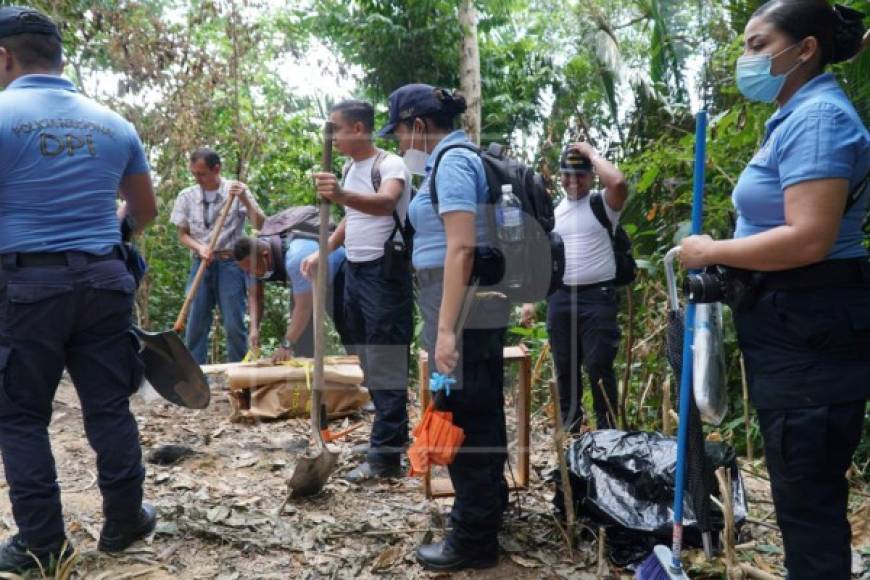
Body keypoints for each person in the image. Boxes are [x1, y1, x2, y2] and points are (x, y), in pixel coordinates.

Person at [679, 2, 868, 577]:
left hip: (810, 327)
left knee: (807, 500)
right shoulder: (795, 115)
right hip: (793, 326)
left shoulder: (819, 119)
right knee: (802, 496)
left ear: (805, 48)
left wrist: (711, 252)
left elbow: (808, 238)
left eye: (759, 46)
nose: (747, 59)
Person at [0, 6, 158, 573]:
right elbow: (143, 211)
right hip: (104, 281)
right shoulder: (114, 123)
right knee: (108, 405)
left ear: (4, 56)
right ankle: (125, 521)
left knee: (20, 418)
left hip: (26, 286)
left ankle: (42, 544)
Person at [379, 83, 509, 571]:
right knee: (476, 406)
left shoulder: (453, 162)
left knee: (466, 416)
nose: (399, 145)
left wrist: (447, 331)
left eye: (400, 135)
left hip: (460, 302)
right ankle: (487, 511)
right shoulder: (449, 161)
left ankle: (473, 539)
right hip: (460, 299)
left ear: (418, 126)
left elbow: (461, 248)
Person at [308, 100, 413, 482]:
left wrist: (339, 195)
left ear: (357, 129)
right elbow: (352, 220)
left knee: (385, 359)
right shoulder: (352, 168)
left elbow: (385, 203)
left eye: (335, 128)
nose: (331, 136)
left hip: (385, 277)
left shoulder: (390, 165)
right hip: (355, 272)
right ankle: (392, 436)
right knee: (365, 355)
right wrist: (325, 251)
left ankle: (386, 460)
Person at [521, 144, 628, 431]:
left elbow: (618, 181)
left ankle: (608, 436)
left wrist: (592, 154)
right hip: (561, 297)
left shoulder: (602, 204)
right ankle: (570, 435)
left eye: (579, 175)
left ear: (591, 176)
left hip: (598, 298)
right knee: (565, 370)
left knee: (599, 366)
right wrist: (531, 300)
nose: (572, 181)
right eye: (567, 175)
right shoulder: (554, 212)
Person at [170, 148, 266, 363]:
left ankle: (239, 377)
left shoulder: (236, 191)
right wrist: (199, 248)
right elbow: (182, 235)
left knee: (234, 324)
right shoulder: (187, 196)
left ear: (217, 169)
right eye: (194, 174)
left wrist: (245, 200)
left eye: (202, 174)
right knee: (195, 324)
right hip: (201, 263)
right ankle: (196, 376)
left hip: (230, 264)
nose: (198, 178)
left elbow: (261, 224)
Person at [233, 233, 349, 359]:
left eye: (251, 268)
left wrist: (286, 345)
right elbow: (255, 296)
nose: (250, 273)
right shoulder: (251, 264)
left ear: (265, 256)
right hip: (307, 281)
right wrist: (254, 330)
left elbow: (304, 308)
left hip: (338, 272)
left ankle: (364, 373)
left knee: (349, 329)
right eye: (246, 270)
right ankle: (305, 373)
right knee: (302, 340)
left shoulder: (295, 258)